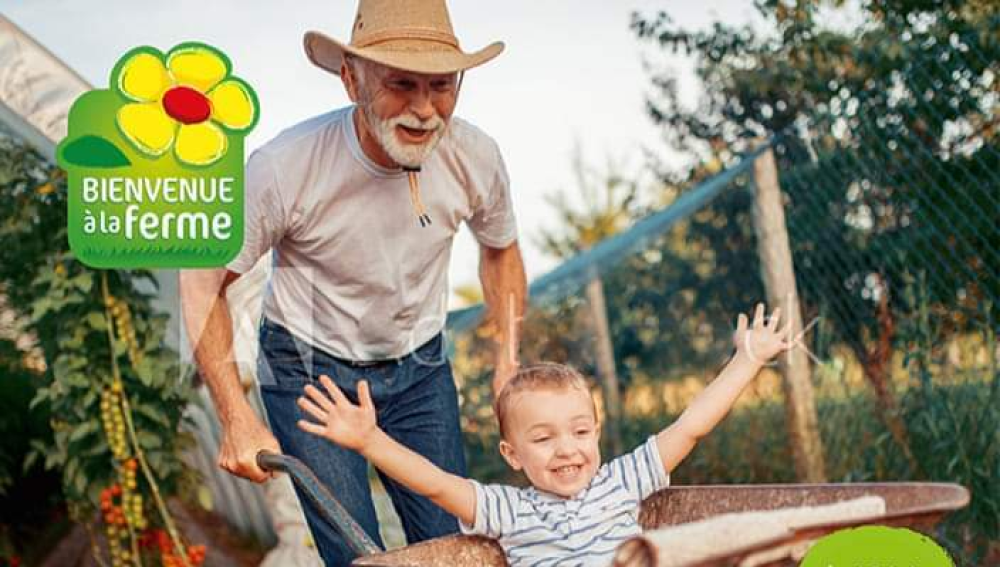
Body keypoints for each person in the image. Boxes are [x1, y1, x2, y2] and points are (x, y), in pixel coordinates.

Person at [179, 0, 526, 563]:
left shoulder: (475, 156)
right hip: (307, 369)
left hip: (420, 368)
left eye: (441, 85)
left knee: (452, 543)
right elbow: (202, 283)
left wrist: (507, 358)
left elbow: (501, 250)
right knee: (355, 553)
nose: (424, 109)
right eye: (400, 84)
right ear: (350, 79)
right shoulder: (284, 168)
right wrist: (235, 417)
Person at [297, 304, 793, 566]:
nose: (566, 449)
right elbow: (436, 484)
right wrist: (371, 442)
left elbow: (691, 426)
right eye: (543, 438)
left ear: (596, 432)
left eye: (579, 431)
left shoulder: (623, 481)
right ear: (512, 454)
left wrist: (747, 360)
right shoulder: (510, 510)